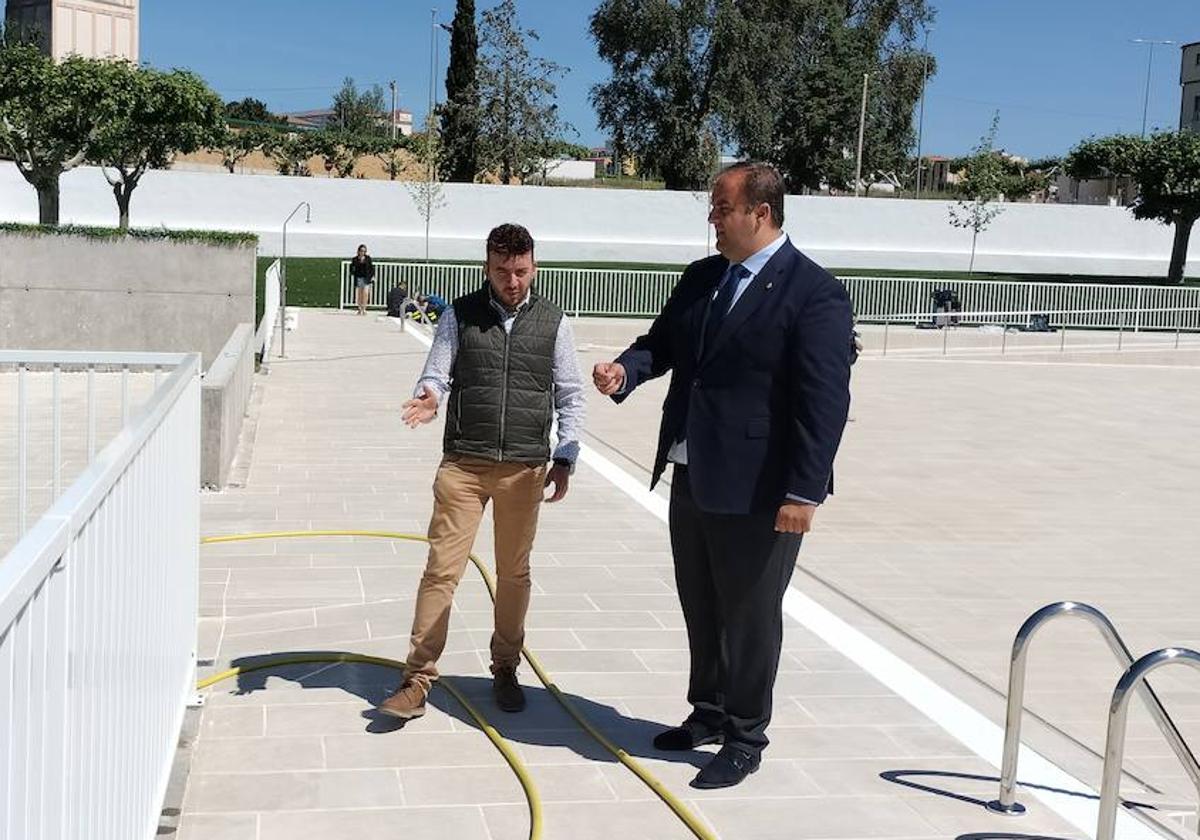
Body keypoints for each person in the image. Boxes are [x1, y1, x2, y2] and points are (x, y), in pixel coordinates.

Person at [592, 162, 853, 790]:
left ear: (759, 213)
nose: (712, 217)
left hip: (763, 489)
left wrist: (803, 491)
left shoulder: (813, 292)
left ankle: (744, 735)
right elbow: (665, 343)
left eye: (720, 207)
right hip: (694, 472)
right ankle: (706, 712)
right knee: (701, 603)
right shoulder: (704, 277)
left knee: (751, 613)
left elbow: (824, 401)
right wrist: (627, 371)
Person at [378, 223, 586, 720]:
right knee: (441, 570)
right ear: (486, 267)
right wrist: (431, 397)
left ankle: (506, 667)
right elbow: (437, 370)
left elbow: (570, 393)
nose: (512, 281)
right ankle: (417, 679)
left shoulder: (554, 322)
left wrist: (566, 453)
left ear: (534, 266)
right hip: (464, 466)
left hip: (524, 469)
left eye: (520, 271)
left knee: (514, 573)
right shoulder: (460, 314)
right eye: (501, 271)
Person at [351, 244, 376, 316]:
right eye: (361, 251)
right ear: (358, 251)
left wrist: (372, 276)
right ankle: (359, 308)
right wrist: (359, 262)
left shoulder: (368, 258)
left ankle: (364, 308)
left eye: (364, 251)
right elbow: (352, 268)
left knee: (365, 293)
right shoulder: (355, 259)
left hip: (366, 278)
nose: (362, 252)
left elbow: (371, 268)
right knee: (359, 294)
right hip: (359, 277)